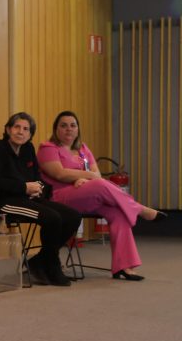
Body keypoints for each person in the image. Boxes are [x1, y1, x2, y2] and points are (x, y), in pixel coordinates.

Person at [37, 111, 166, 281]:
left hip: (87, 194)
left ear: (78, 129)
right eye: (63, 125)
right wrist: (86, 176)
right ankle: (140, 209)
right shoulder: (48, 148)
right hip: (60, 197)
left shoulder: (83, 148)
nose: (69, 129)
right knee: (99, 185)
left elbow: (96, 173)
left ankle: (123, 266)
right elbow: (60, 174)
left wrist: (83, 178)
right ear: (56, 129)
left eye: (73, 125)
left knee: (118, 212)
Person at [0, 112, 82, 287]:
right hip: (6, 203)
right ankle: (52, 265)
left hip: (30, 199)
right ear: (8, 129)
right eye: (17, 127)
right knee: (52, 218)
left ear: (30, 134)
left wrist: (39, 189)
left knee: (73, 216)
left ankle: (40, 260)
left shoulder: (28, 149)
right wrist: (23, 187)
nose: (21, 132)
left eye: (26, 129)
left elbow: (37, 177)